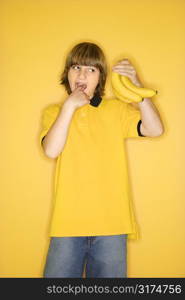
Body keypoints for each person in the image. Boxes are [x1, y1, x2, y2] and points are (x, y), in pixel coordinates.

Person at [39, 42, 164, 278]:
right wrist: (69, 107)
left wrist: (138, 88)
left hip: (113, 226)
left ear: (101, 77)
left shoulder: (116, 110)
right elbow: (51, 151)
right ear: (68, 73)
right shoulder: (54, 113)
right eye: (76, 67)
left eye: (91, 69)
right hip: (67, 225)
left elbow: (155, 129)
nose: (82, 74)